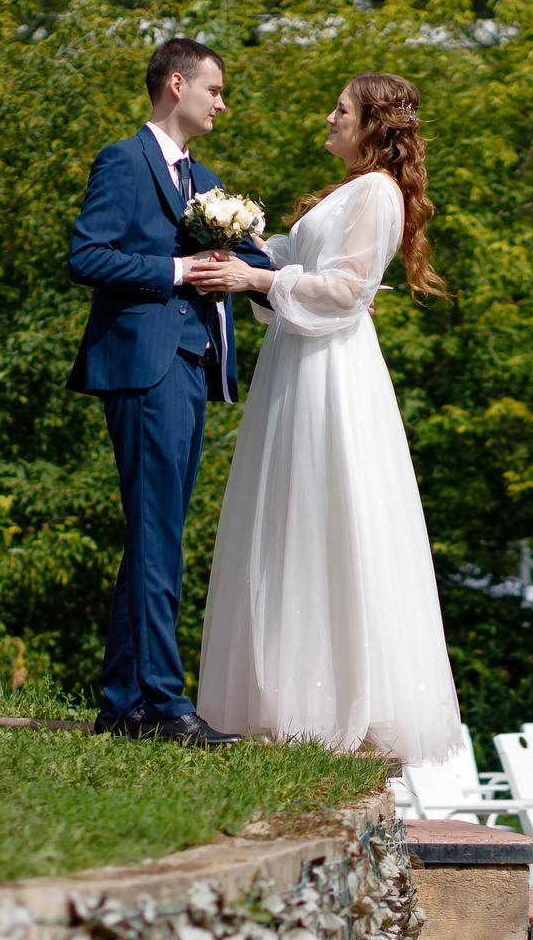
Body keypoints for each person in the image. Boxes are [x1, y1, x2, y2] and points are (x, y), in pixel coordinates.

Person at [189, 73, 462, 763]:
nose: (329, 116)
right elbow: (311, 268)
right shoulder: (350, 190)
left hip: (329, 370)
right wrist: (251, 244)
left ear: (374, 123)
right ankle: (285, 697)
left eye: (341, 109)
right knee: (288, 514)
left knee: (320, 512)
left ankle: (328, 702)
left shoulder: (375, 192)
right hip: (298, 360)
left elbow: (345, 289)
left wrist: (256, 279)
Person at [67, 38, 271, 747]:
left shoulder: (206, 179)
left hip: (191, 365)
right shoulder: (125, 160)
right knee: (159, 535)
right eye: (214, 89)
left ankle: (123, 704)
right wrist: (180, 271)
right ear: (175, 84)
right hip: (144, 362)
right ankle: (161, 704)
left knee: (156, 534)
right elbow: (86, 255)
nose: (222, 102)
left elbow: (253, 265)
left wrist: (325, 286)